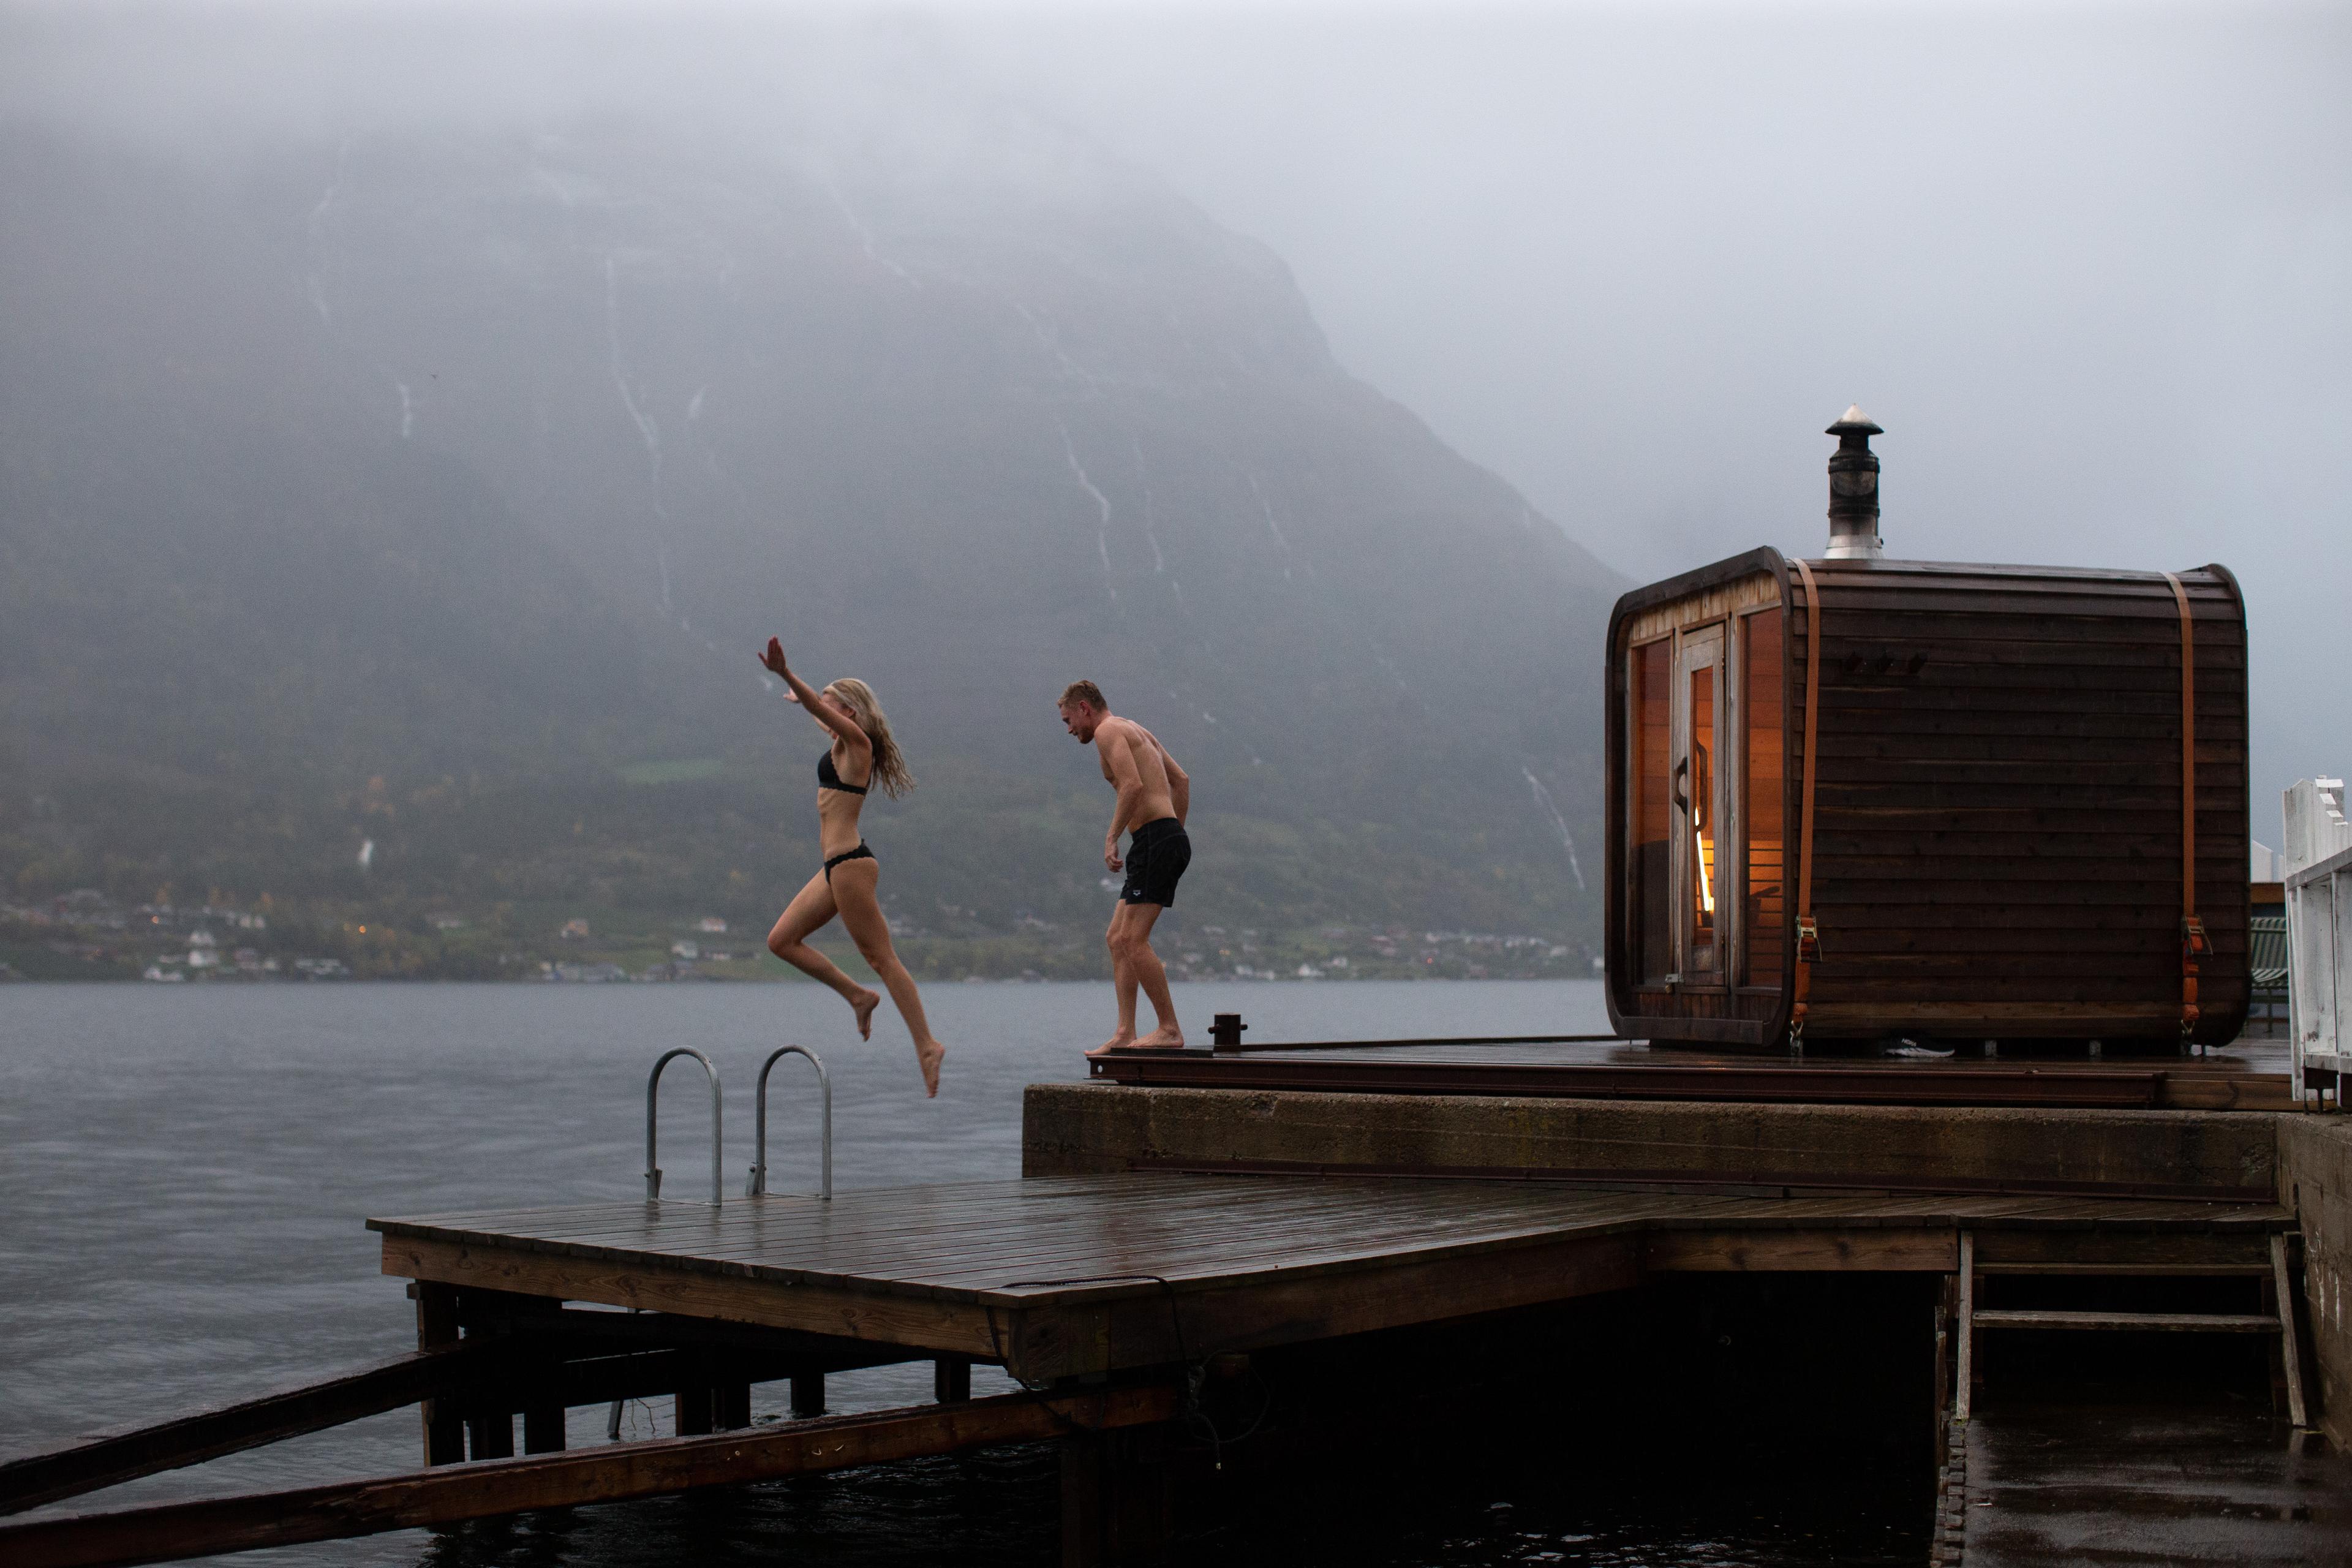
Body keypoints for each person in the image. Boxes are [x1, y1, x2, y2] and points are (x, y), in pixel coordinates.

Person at [757, 636, 946, 1096]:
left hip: (851, 866)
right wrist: (801, 696)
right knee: (781, 941)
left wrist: (787, 676)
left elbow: (823, 714)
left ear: (850, 711)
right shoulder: (842, 742)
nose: (823, 715)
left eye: (830, 706)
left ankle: (926, 1045)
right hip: (834, 868)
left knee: (881, 958)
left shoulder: (859, 744)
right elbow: (821, 714)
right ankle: (858, 996)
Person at [1057, 680, 1191, 1050]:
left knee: (1133, 938)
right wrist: (1174, 833)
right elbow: (1181, 781)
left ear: (1084, 708)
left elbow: (1132, 785)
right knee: (1117, 938)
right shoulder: (1135, 729)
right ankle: (1124, 1033)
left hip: (1154, 840)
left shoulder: (1107, 731)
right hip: (1159, 839)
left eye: (1069, 720)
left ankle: (1169, 1029)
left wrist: (1112, 836)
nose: (1070, 730)